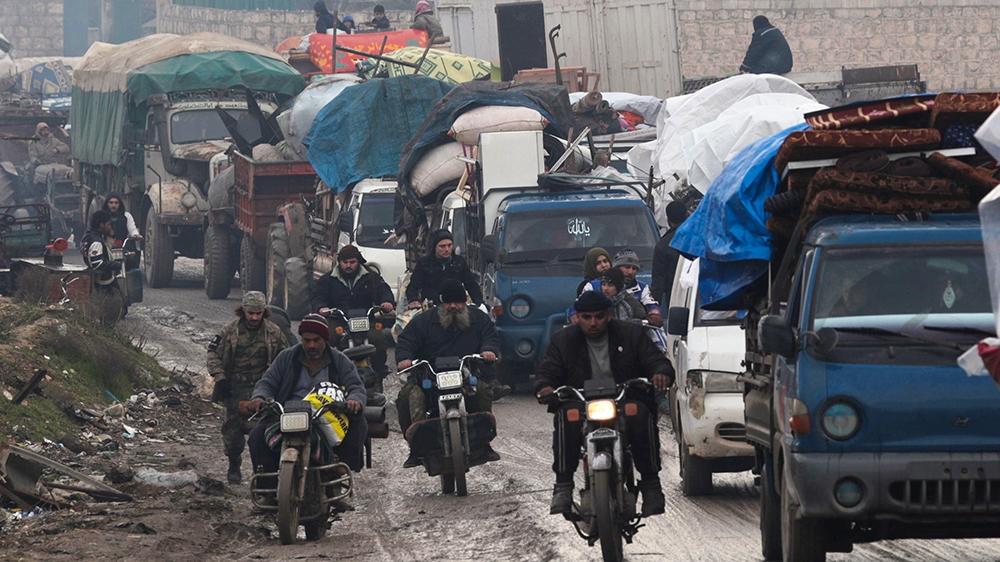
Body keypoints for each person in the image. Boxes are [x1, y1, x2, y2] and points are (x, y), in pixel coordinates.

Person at [535, 291, 675, 517]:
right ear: (577, 317)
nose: (593, 323)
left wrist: (661, 373)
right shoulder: (563, 340)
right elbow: (548, 369)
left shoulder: (631, 334)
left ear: (609, 315)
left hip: (624, 397)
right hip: (580, 401)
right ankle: (562, 486)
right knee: (566, 417)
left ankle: (651, 485)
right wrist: (544, 387)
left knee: (639, 414)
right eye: (587, 317)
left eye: (599, 317)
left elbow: (655, 360)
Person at [396, 279, 503, 468]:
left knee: (483, 391)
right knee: (407, 396)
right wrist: (405, 358)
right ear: (440, 302)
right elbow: (406, 341)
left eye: (458, 301)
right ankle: (415, 447)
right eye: (448, 302)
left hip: (466, 374)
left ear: (464, 302)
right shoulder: (423, 321)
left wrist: (488, 351)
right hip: (429, 376)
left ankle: (484, 442)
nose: (453, 306)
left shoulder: (478, 319)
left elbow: (491, 337)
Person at [247, 314, 368, 479]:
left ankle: (338, 473)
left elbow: (356, 385)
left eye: (316, 340)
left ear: (325, 339)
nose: (312, 345)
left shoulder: (340, 360)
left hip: (326, 416)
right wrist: (259, 397)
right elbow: (267, 382)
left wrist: (354, 400)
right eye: (307, 340)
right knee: (257, 436)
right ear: (301, 339)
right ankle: (265, 483)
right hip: (287, 415)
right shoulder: (286, 358)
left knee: (358, 424)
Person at [207, 291, 289, 484]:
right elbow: (212, 354)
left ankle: (261, 469)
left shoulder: (274, 332)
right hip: (235, 387)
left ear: (264, 312)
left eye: (258, 313)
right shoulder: (228, 331)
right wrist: (220, 379)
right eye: (250, 313)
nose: (254, 317)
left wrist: (278, 377)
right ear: (242, 311)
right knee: (233, 430)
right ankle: (234, 465)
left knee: (263, 429)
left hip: (263, 387)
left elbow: (286, 357)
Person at [310, 244, 394, 379]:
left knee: (379, 340)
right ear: (340, 262)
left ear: (358, 261)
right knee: (325, 338)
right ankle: (324, 373)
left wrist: (387, 301)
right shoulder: (328, 279)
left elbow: (383, 289)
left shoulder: (371, 277)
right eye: (345, 262)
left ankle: (378, 374)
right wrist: (321, 307)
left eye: (352, 262)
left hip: (365, 320)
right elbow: (317, 295)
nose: (348, 265)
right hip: (338, 319)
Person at [570, 248, 663, 327]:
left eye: (634, 269)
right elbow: (576, 306)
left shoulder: (641, 287)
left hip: (632, 330)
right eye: (626, 267)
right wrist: (575, 317)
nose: (630, 272)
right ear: (616, 267)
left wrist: (655, 314)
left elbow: (652, 305)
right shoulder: (593, 285)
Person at [405, 229, 483, 309]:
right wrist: (414, 300)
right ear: (435, 247)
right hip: (432, 308)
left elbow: (471, 285)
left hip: (455, 307)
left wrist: (480, 303)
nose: (446, 249)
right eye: (442, 246)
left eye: (449, 245)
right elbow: (413, 286)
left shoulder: (459, 262)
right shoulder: (424, 263)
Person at [80, 210, 125, 313]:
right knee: (119, 308)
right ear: (101, 225)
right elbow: (97, 264)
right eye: (108, 224)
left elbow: (105, 250)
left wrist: (110, 236)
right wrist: (117, 265)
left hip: (101, 279)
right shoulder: (96, 241)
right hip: (104, 281)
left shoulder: (87, 236)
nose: (110, 227)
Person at [650, 200, 688, 308]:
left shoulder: (662, 246)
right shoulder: (701, 239)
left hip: (674, 299)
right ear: (686, 215)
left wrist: (654, 309)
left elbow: (658, 284)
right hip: (700, 297)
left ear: (668, 219)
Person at [101, 192, 142, 271]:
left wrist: (136, 235)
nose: (113, 205)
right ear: (107, 203)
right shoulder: (102, 216)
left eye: (116, 203)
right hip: (105, 246)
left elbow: (132, 229)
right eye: (111, 203)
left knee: (132, 262)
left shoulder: (126, 216)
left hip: (122, 246)